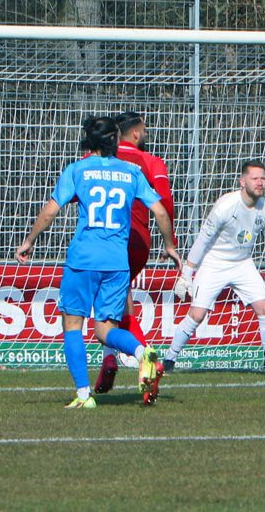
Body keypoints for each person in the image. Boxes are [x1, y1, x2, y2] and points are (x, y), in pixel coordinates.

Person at [15, 116, 180, 408]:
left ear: (89, 142)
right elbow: (161, 213)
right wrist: (169, 245)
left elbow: (51, 211)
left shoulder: (77, 170)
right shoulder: (131, 171)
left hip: (84, 260)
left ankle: (83, 395)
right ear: (114, 141)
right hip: (117, 262)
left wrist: (29, 241)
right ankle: (143, 353)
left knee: (72, 324)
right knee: (104, 330)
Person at [166, 159, 265, 376]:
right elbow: (203, 239)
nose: (260, 183)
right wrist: (186, 274)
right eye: (255, 178)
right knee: (197, 314)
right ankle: (169, 359)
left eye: (263, 178)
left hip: (243, 263)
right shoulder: (226, 206)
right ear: (242, 181)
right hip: (215, 262)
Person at [93, 111, 177, 395]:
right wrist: (170, 241)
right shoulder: (151, 161)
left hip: (109, 240)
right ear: (137, 133)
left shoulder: (98, 160)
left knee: (106, 305)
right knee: (117, 301)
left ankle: (146, 358)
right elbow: (164, 200)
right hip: (140, 242)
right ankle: (110, 360)